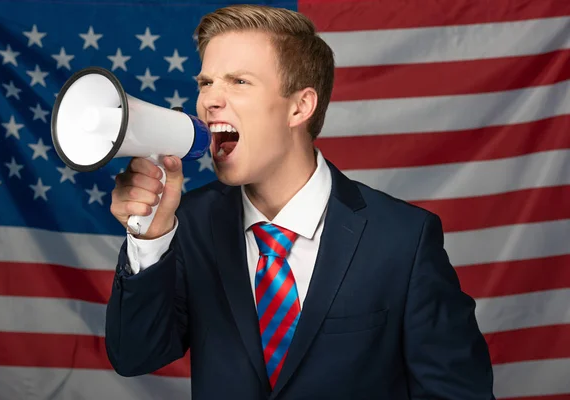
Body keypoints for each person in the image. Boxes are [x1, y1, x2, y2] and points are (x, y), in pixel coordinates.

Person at [105, 4, 495, 399]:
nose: (209, 102)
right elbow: (134, 356)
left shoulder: (403, 240)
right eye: (206, 83)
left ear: (300, 107)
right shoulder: (188, 224)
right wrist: (149, 239)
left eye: (239, 81)